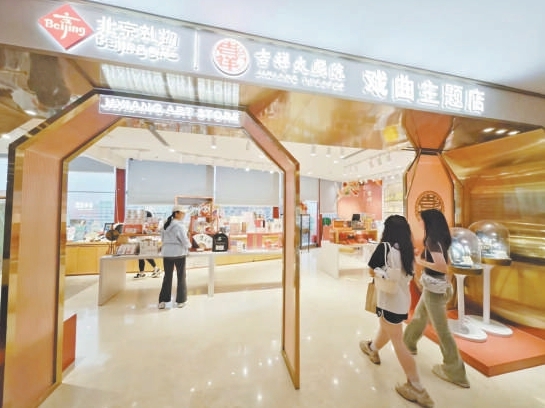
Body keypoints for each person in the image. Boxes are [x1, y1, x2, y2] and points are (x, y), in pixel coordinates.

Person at [360, 215, 434, 408]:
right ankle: (372, 349)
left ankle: (417, 386)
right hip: (402, 301)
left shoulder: (385, 248)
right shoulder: (408, 250)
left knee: (397, 341)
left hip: (388, 301)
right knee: (387, 328)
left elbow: (371, 270)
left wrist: (381, 272)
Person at [403, 209, 470, 389]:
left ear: (428, 221)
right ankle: (408, 344)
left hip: (435, 289)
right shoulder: (440, 238)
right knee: (419, 316)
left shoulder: (432, 240)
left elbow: (442, 267)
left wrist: (420, 261)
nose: (419, 223)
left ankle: (455, 371)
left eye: (421, 219)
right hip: (435, 286)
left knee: (442, 330)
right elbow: (446, 263)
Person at [158, 205, 191, 309]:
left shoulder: (165, 225)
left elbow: (162, 239)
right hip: (178, 253)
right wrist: (189, 246)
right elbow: (184, 240)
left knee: (167, 277)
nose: (184, 215)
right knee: (181, 276)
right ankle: (181, 301)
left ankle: (162, 301)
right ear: (176, 213)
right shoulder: (180, 226)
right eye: (182, 213)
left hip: (167, 253)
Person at [134, 211, 163, 279]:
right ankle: (142, 272)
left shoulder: (147, 224)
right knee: (141, 257)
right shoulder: (144, 223)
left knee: (145, 256)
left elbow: (146, 231)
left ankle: (155, 269)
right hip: (142, 240)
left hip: (145, 241)